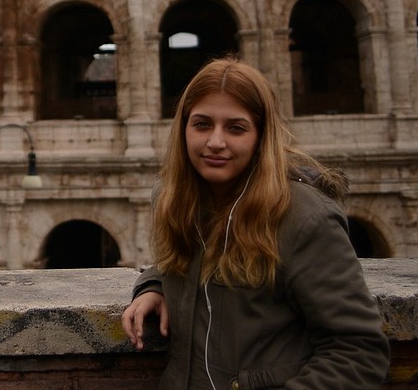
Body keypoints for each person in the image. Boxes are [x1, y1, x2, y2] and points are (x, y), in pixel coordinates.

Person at [121, 57, 389, 389]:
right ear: (184, 128)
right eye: (202, 124)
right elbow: (186, 263)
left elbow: (359, 352)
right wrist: (155, 286)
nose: (215, 142)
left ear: (261, 134)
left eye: (235, 128)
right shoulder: (173, 197)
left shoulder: (303, 217)